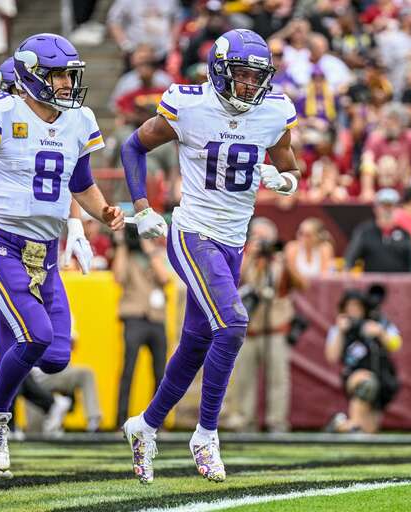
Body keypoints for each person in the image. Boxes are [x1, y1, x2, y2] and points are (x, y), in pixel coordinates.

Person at [0, 35, 124, 491]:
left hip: (46, 252)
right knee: (31, 338)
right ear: (33, 77)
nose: (67, 84)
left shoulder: (78, 120)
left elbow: (81, 181)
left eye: (69, 75)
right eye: (58, 75)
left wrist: (102, 213)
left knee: (53, 356)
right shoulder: (2, 112)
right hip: (0, 244)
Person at [119, 29, 301, 483]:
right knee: (234, 324)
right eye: (241, 75)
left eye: (256, 77)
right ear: (219, 72)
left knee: (197, 342)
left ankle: (145, 425)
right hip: (193, 232)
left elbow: (290, 167)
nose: (249, 85)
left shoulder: (273, 111)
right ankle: (205, 435)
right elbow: (133, 146)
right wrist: (142, 207)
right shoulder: (189, 105)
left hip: (233, 242)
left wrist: (284, 181)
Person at [226, 217, 298, 433]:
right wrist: (250, 255)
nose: (262, 243)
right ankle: (244, 421)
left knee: (278, 378)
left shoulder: (280, 262)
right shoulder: (244, 258)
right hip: (248, 330)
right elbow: (233, 280)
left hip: (275, 329)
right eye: (257, 238)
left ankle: (277, 422)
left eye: (265, 239)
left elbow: (301, 284)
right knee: (243, 379)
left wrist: (284, 261)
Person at [112, 224, 170, 428]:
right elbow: (118, 277)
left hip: (156, 318)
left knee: (160, 372)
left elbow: (164, 277)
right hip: (134, 316)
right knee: (128, 370)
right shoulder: (127, 255)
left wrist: (149, 248)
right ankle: (121, 419)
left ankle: (157, 421)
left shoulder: (157, 254)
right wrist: (121, 243)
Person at [324, 287, 401, 434]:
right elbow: (331, 357)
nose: (353, 311)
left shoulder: (377, 323)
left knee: (368, 432)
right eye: (349, 307)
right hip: (355, 376)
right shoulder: (338, 328)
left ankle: (339, 424)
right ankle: (353, 426)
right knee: (367, 383)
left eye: (357, 307)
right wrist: (340, 331)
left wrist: (380, 333)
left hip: (381, 377)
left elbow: (396, 345)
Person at [344, 188, 411, 273]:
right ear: (375, 208)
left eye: (390, 206)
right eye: (383, 206)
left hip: (399, 280)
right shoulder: (365, 232)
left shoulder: (404, 234)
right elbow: (349, 260)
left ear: (396, 209)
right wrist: (347, 277)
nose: (387, 210)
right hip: (372, 280)